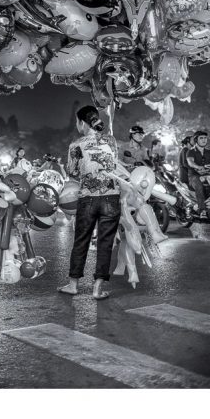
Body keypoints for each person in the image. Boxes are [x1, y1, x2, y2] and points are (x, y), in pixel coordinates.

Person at [58, 106, 120, 300]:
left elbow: (72, 172)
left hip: (88, 198)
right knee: (105, 243)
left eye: (77, 122)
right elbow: (114, 164)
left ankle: (73, 285)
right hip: (111, 196)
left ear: (82, 122)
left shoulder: (76, 145)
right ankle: (97, 289)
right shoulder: (111, 141)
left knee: (81, 241)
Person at [186, 130, 210, 218]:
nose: (204, 140)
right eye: (201, 138)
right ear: (196, 140)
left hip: (208, 175)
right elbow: (190, 162)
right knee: (199, 185)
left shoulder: (209, 152)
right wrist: (198, 167)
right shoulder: (191, 152)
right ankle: (202, 210)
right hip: (194, 177)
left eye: (205, 138)